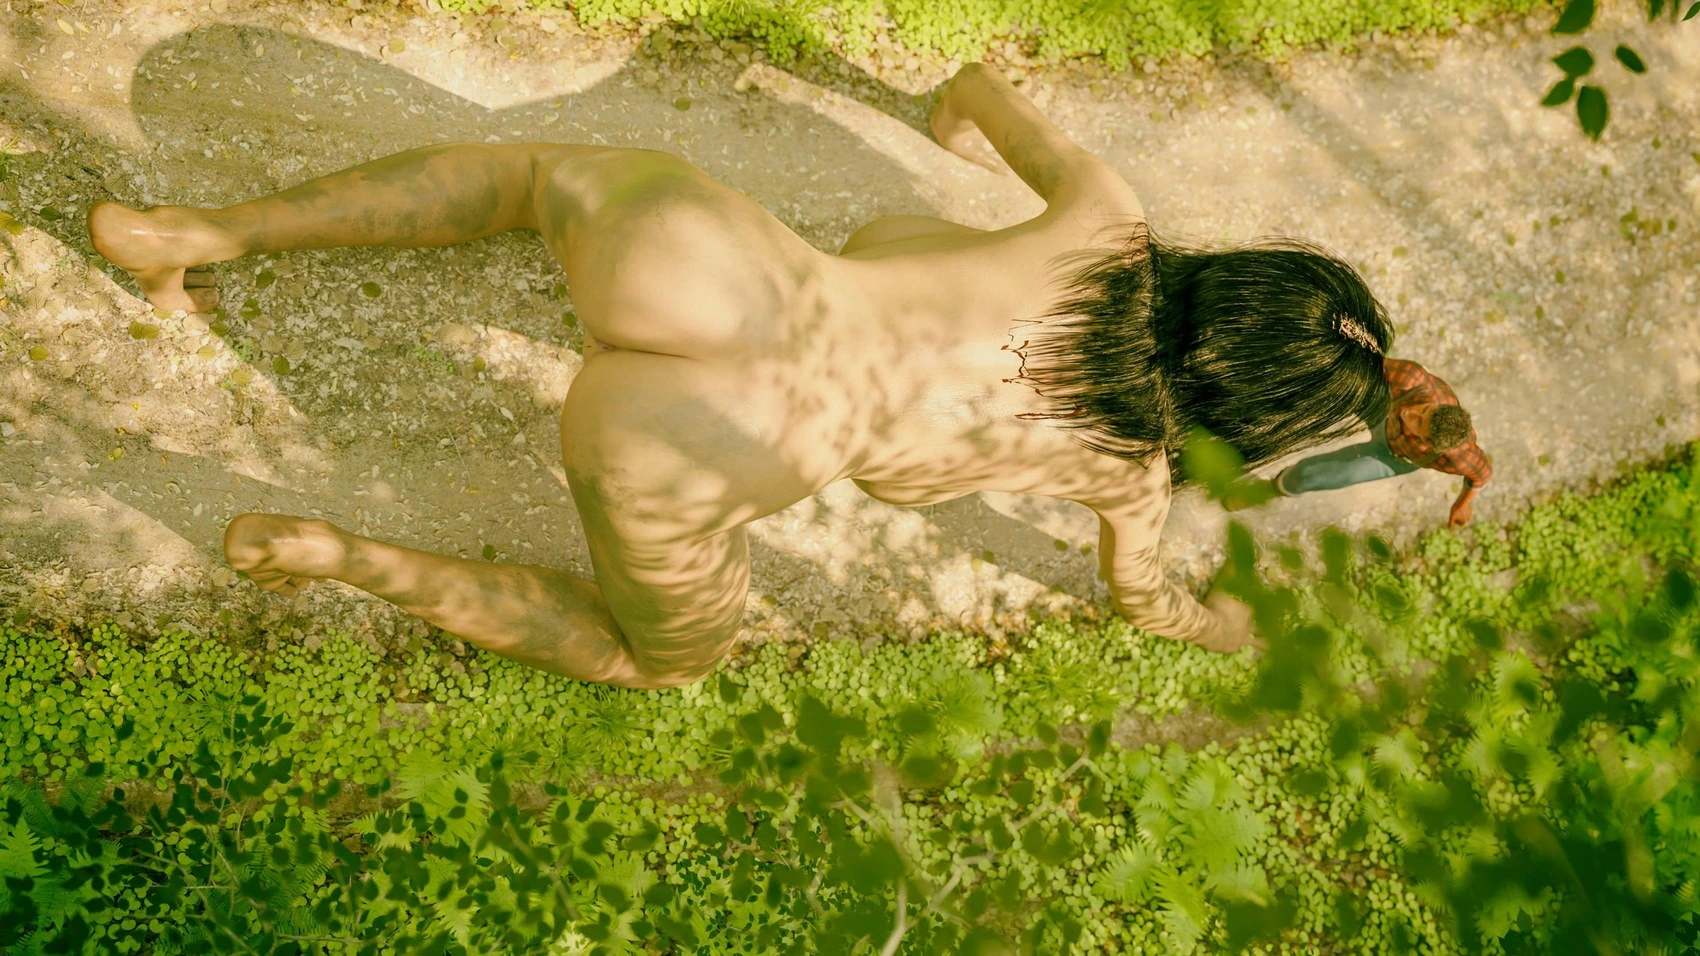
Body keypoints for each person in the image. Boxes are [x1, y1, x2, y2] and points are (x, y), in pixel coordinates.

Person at [85, 63, 1393, 688]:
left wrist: (944, 117)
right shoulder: (1133, 476)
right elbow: (1146, 602)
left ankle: (198, 234)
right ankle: (332, 552)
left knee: (528, 177)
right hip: (706, 443)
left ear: (1243, 275)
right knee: (660, 659)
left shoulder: (1105, 215)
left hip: (709, 263)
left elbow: (983, 89)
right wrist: (1224, 624)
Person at [1222, 357, 1490, 527]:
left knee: (1313, 474)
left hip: (1393, 455)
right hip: (1383, 408)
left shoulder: (1459, 457)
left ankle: (1268, 490)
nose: (1413, 414)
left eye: (1419, 424)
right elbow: (1359, 363)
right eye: (1425, 410)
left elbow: (1481, 475)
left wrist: (1461, 503)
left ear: (1428, 444)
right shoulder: (1411, 380)